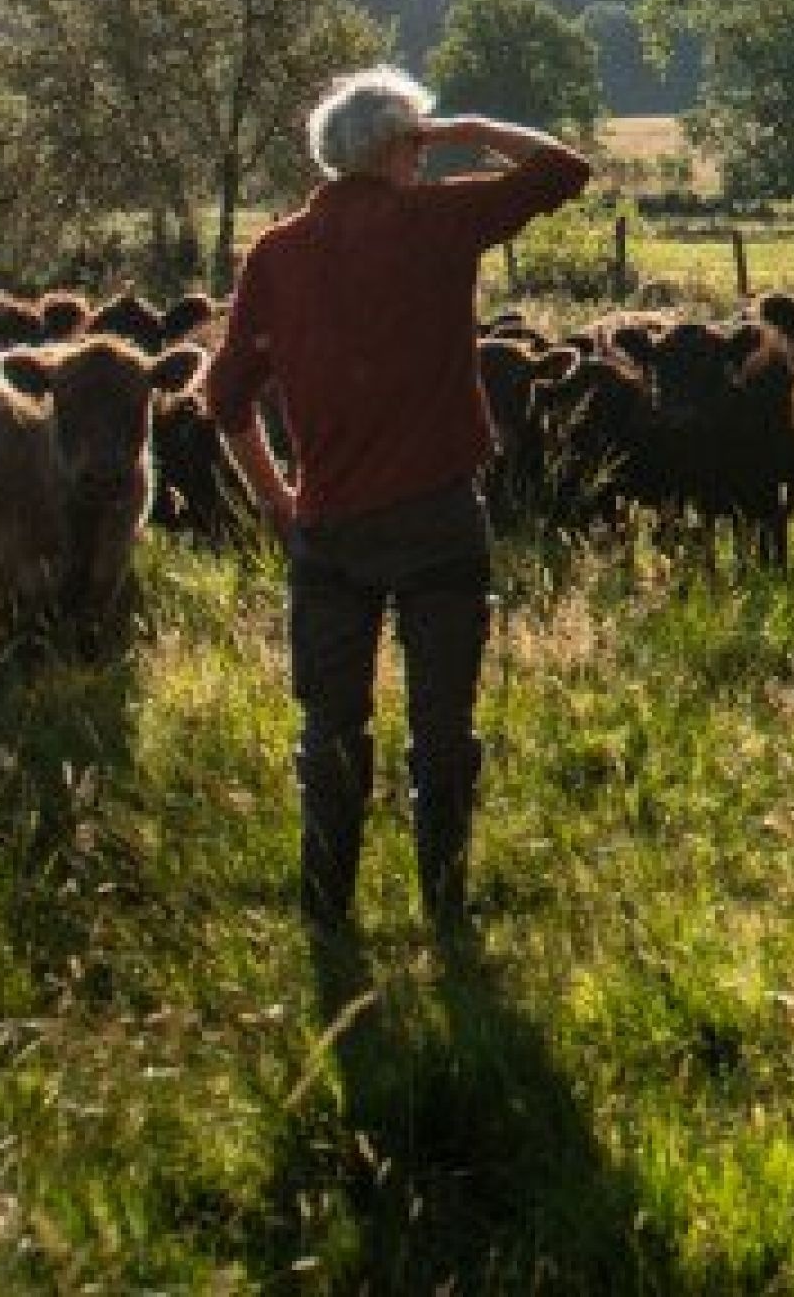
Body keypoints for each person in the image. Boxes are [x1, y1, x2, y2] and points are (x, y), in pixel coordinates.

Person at [205, 65, 591, 940]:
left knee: (331, 732)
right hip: (438, 519)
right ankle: (445, 910)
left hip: (330, 530)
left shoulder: (275, 254)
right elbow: (564, 169)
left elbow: (224, 399)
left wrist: (278, 498)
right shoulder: (436, 224)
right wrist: (470, 126)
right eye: (416, 144)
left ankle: (326, 915)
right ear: (398, 148)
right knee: (442, 729)